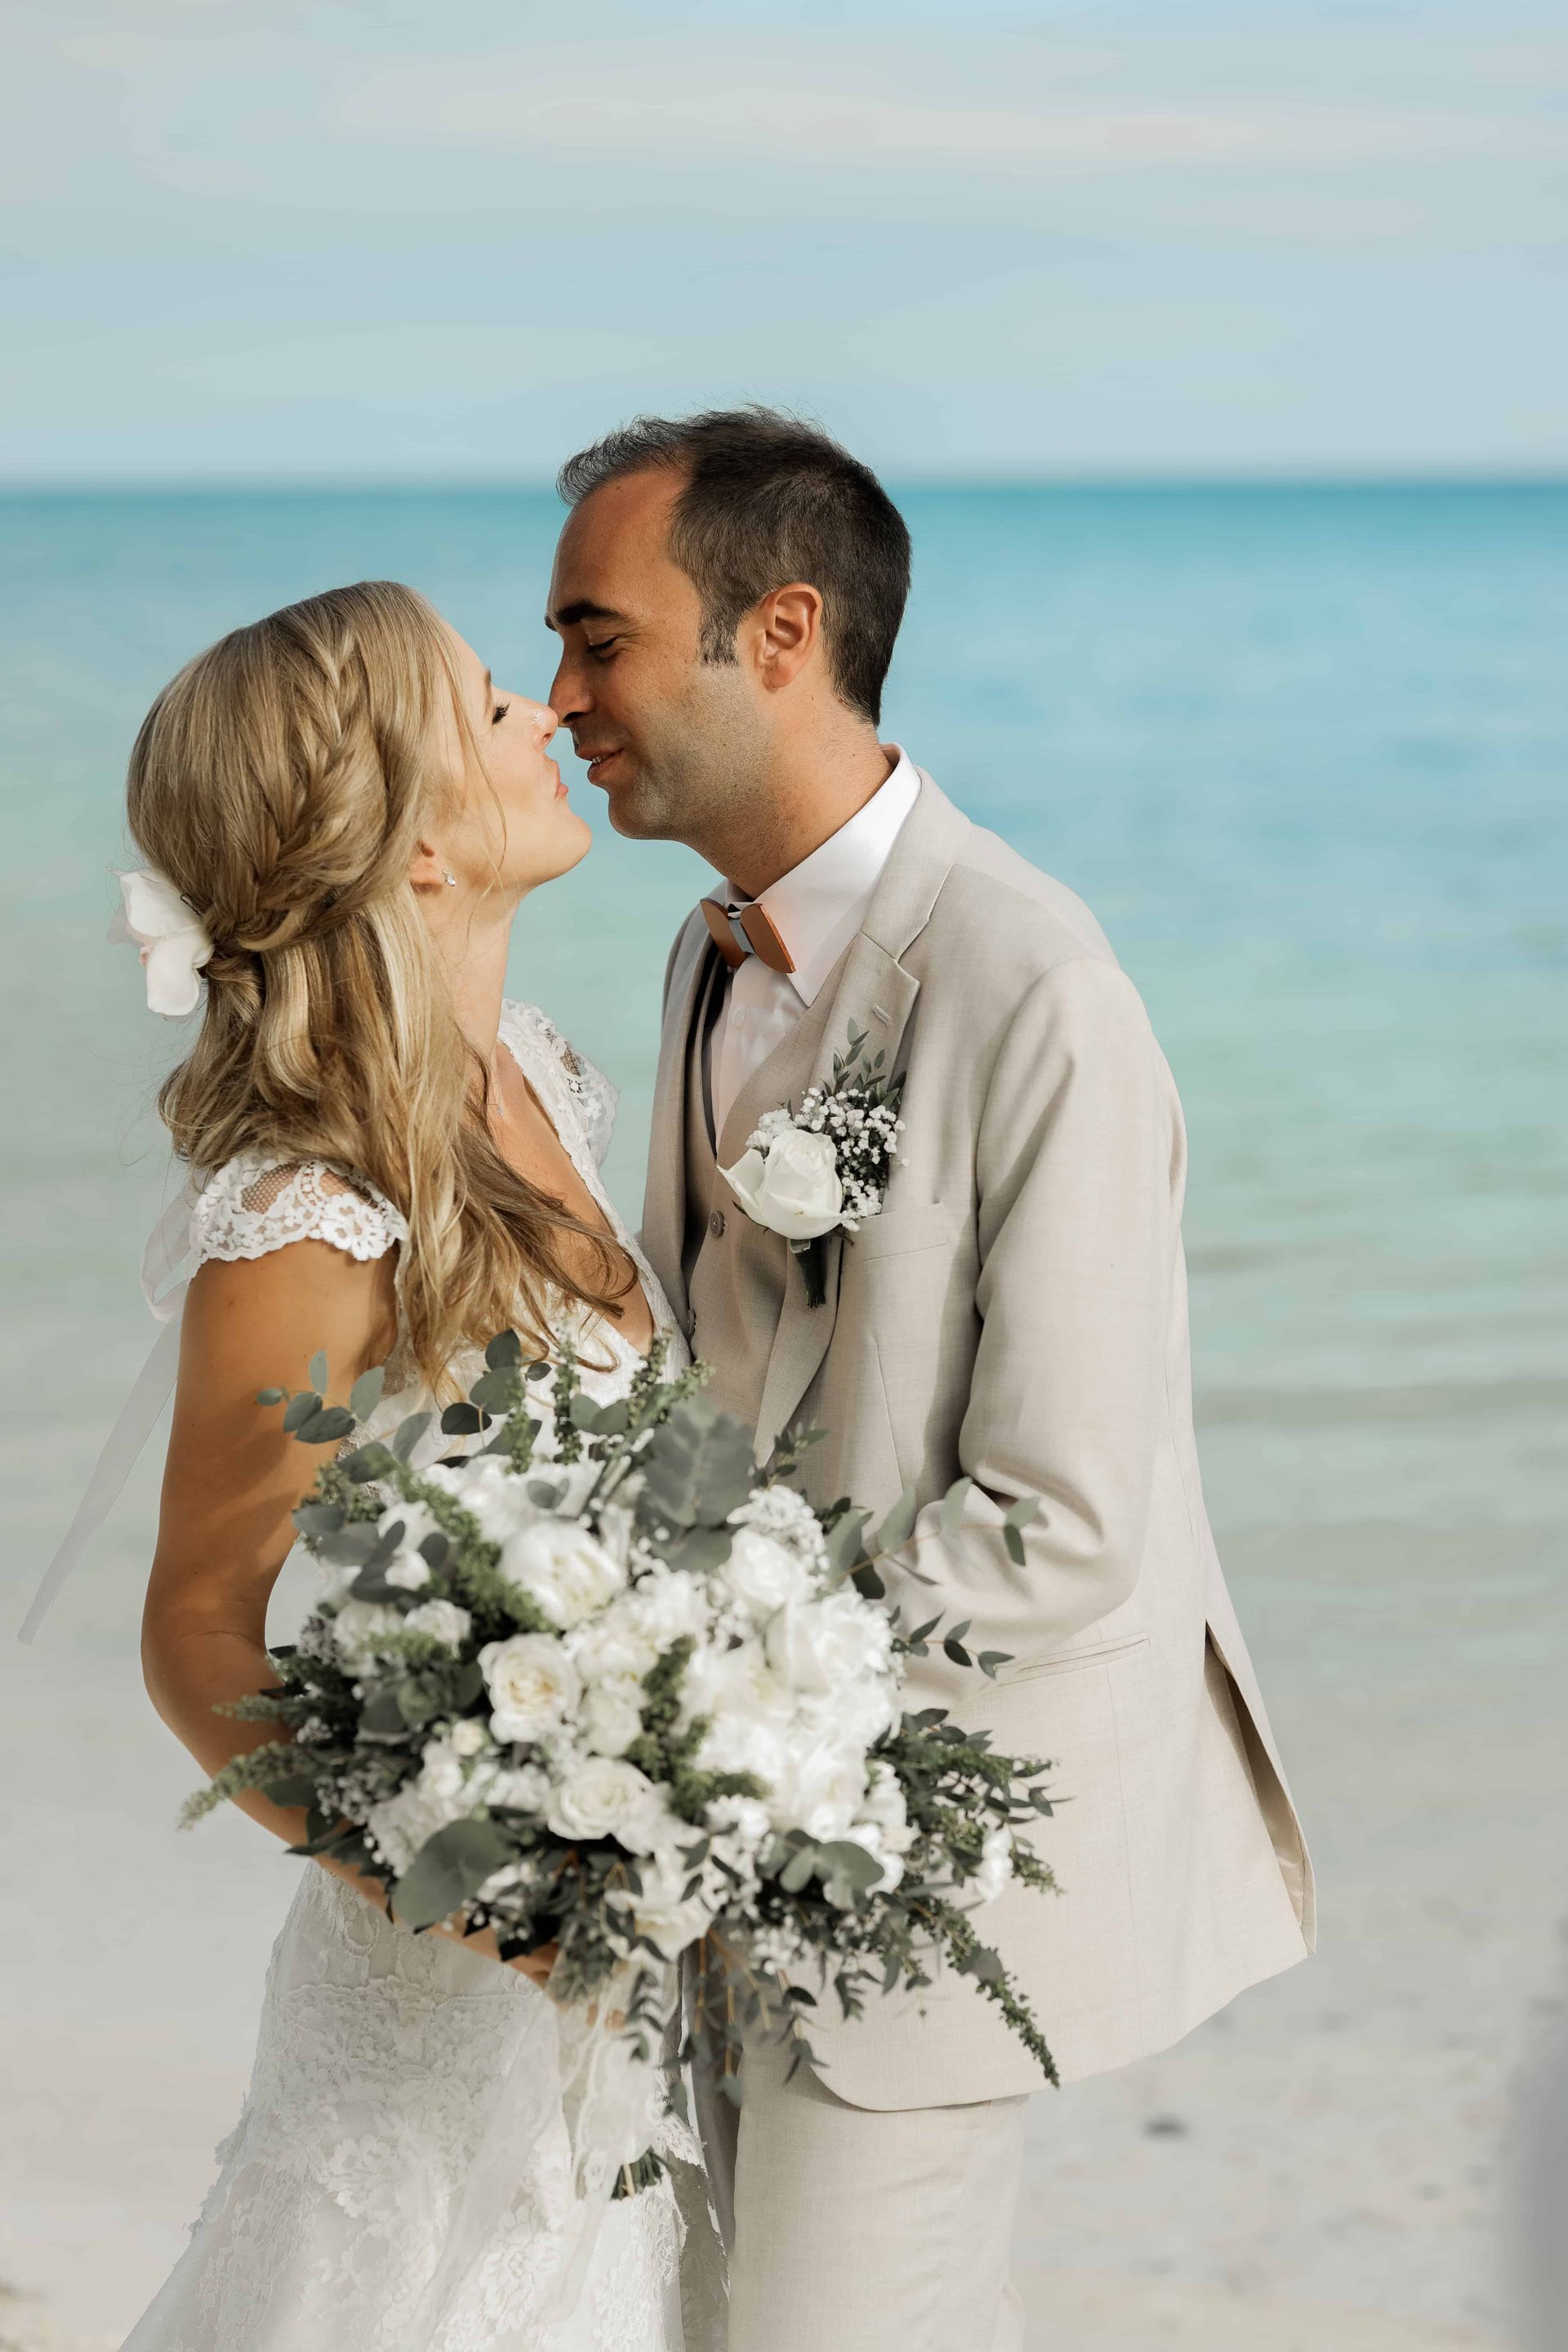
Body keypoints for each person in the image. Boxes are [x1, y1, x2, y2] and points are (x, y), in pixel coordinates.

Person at [546, 408, 1316, 2352]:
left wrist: (704, 1690)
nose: (561, 698)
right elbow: (715, 1369)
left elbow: (1063, 1524)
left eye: (600, 638)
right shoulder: (705, 959)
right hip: (706, 1854)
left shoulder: (1035, 986)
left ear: (779, 631)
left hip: (915, 1873)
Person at [101, 581, 721, 2350]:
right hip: (437, 1997)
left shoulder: (546, 1079)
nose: (540, 711)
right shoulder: (308, 1210)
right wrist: (479, 1892)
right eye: (481, 704)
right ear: (409, 838)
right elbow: (199, 1632)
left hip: (608, 1987)